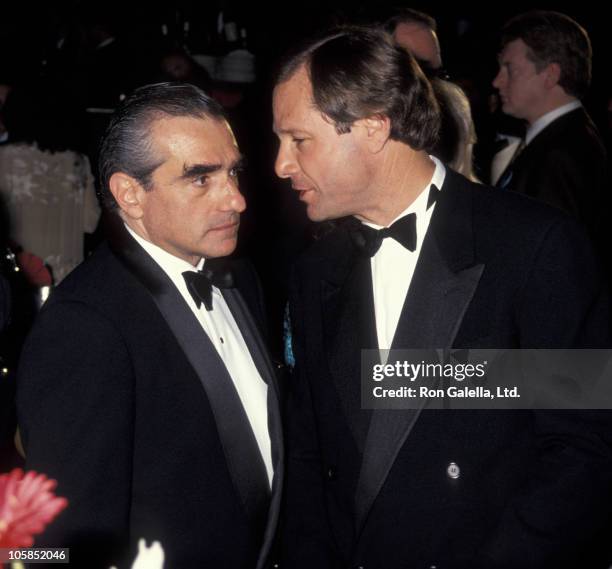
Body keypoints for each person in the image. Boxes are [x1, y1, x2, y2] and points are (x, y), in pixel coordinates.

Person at [273, 26, 612, 569]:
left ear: (373, 127)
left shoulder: (533, 246)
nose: (281, 165)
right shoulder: (316, 271)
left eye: (299, 139)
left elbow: (582, 451)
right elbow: (312, 460)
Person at [17, 82, 283, 569]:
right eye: (201, 178)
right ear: (130, 194)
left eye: (232, 174)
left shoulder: (241, 279)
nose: (237, 200)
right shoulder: (84, 328)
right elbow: (61, 544)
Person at [492, 11, 608, 254]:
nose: (497, 81)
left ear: (550, 75)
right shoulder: (566, 139)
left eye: (510, 69)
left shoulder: (561, 154)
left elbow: (551, 258)